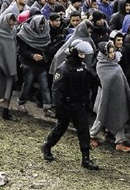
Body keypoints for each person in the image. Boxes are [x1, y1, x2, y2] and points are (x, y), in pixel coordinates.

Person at [41, 42, 99, 170]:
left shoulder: (83, 67)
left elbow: (91, 80)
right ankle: (47, 146)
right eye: (80, 53)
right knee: (60, 128)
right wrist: (58, 107)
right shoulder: (63, 69)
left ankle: (86, 158)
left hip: (80, 104)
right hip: (67, 105)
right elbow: (57, 90)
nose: (83, 56)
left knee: (84, 131)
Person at [89, 41, 130, 152]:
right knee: (101, 118)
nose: (112, 54)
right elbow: (105, 82)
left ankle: (119, 141)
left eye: (113, 51)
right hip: (105, 98)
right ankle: (91, 136)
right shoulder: (101, 65)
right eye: (110, 52)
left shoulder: (114, 63)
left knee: (118, 117)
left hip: (117, 98)